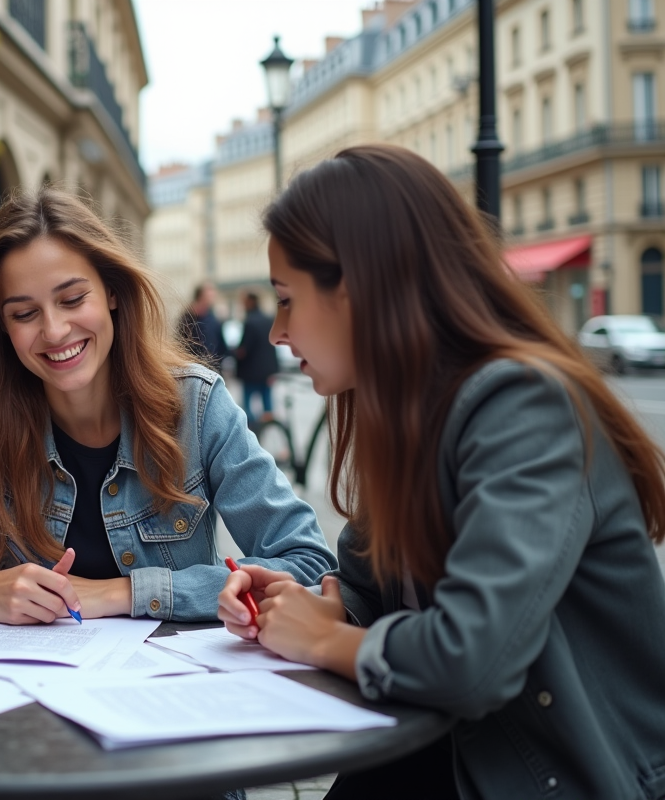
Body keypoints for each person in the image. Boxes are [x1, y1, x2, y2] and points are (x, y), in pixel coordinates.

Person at [218, 144, 665, 800]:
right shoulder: (403, 413)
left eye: (288, 300)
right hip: (453, 750)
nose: (279, 332)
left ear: (359, 289)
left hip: (561, 773)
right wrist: (308, 600)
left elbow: (472, 658)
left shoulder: (522, 405)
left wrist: (322, 642)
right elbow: (380, 588)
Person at [0, 187, 333, 625]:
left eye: (73, 299)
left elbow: (308, 565)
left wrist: (121, 593)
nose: (54, 331)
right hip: (4, 723)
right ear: (1, 325)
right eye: (24, 313)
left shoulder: (197, 405)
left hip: (161, 715)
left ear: (112, 292)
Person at [234, 292, 279, 424]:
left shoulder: (249, 322)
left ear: (250, 302)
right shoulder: (268, 319)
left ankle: (254, 429)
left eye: (243, 302)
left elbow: (243, 350)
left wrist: (234, 354)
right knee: (267, 403)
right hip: (267, 371)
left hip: (251, 373)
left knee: (247, 404)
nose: (242, 306)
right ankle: (269, 428)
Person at [177, 281, 228, 369]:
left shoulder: (212, 317)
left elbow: (221, 344)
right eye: (210, 293)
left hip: (212, 367)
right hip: (195, 367)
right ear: (201, 296)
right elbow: (181, 343)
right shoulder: (188, 317)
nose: (213, 296)